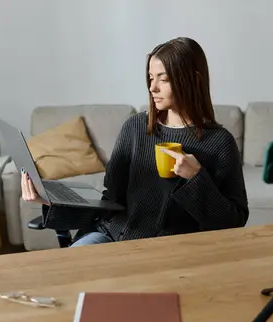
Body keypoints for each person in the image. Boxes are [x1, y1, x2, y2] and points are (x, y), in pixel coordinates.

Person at [22, 37, 249, 247]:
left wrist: (196, 178)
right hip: (111, 236)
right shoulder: (136, 127)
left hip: (171, 250)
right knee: (68, 271)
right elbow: (111, 198)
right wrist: (49, 198)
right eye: (151, 78)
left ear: (193, 80)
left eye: (164, 78)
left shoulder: (220, 143)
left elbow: (234, 221)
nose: (153, 88)